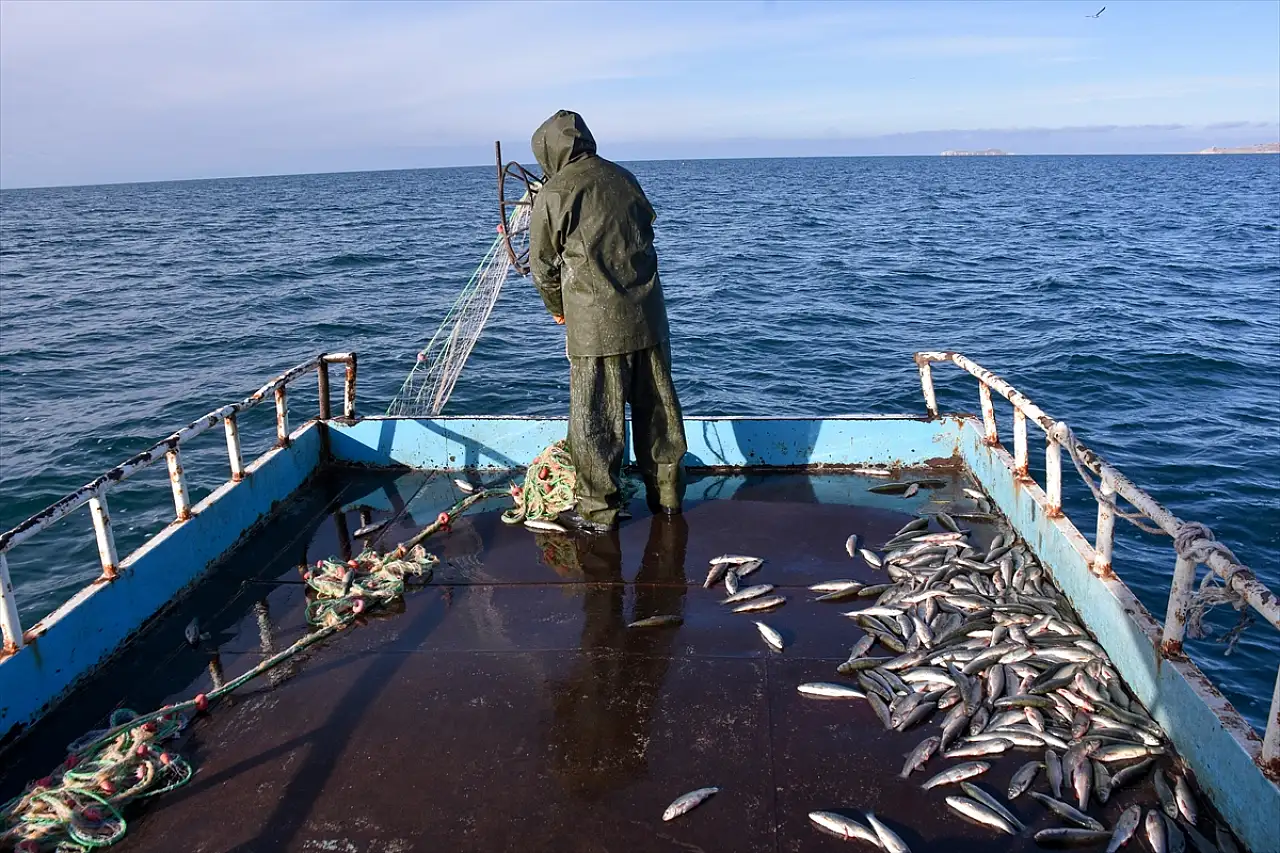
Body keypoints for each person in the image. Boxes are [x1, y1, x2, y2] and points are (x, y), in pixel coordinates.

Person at [528, 110, 687, 534]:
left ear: (548, 151)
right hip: (649, 318)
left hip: (595, 328)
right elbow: (644, 234)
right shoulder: (624, 178)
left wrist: (557, 308)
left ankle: (598, 512)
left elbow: (542, 267)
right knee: (659, 415)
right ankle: (668, 498)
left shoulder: (553, 193)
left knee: (595, 422)